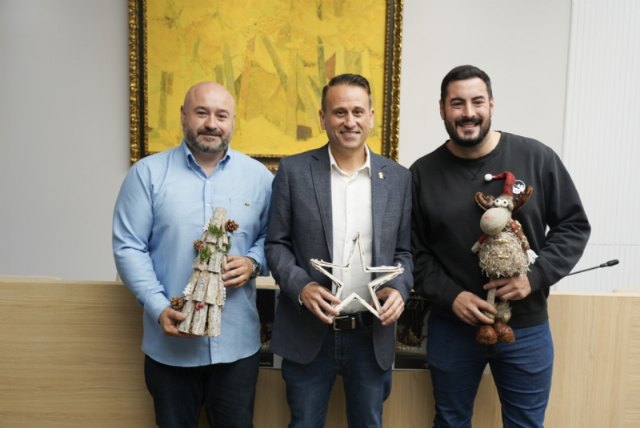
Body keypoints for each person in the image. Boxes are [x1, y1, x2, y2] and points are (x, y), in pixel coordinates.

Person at [410, 64, 590, 427]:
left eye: (477, 101)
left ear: (491, 104)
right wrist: (452, 296)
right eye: (457, 103)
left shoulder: (537, 157)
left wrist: (535, 277)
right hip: (452, 326)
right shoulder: (421, 173)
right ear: (442, 109)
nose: (468, 112)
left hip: (526, 326)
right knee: (450, 422)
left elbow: (573, 226)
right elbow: (414, 252)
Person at [112, 82, 273, 428]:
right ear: (184, 116)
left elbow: (273, 237)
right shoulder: (146, 174)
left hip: (237, 348)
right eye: (202, 113)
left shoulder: (260, 178)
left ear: (233, 122)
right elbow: (128, 246)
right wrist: (157, 306)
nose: (211, 123)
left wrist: (253, 261)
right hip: (170, 349)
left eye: (221, 115)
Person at [265, 73, 413, 427]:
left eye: (358, 112)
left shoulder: (398, 178)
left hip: (371, 333)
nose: (350, 121)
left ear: (371, 117)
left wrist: (399, 288)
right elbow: (276, 244)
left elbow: (406, 253)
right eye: (340, 112)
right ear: (323, 118)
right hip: (308, 331)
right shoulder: (293, 171)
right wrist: (302, 286)